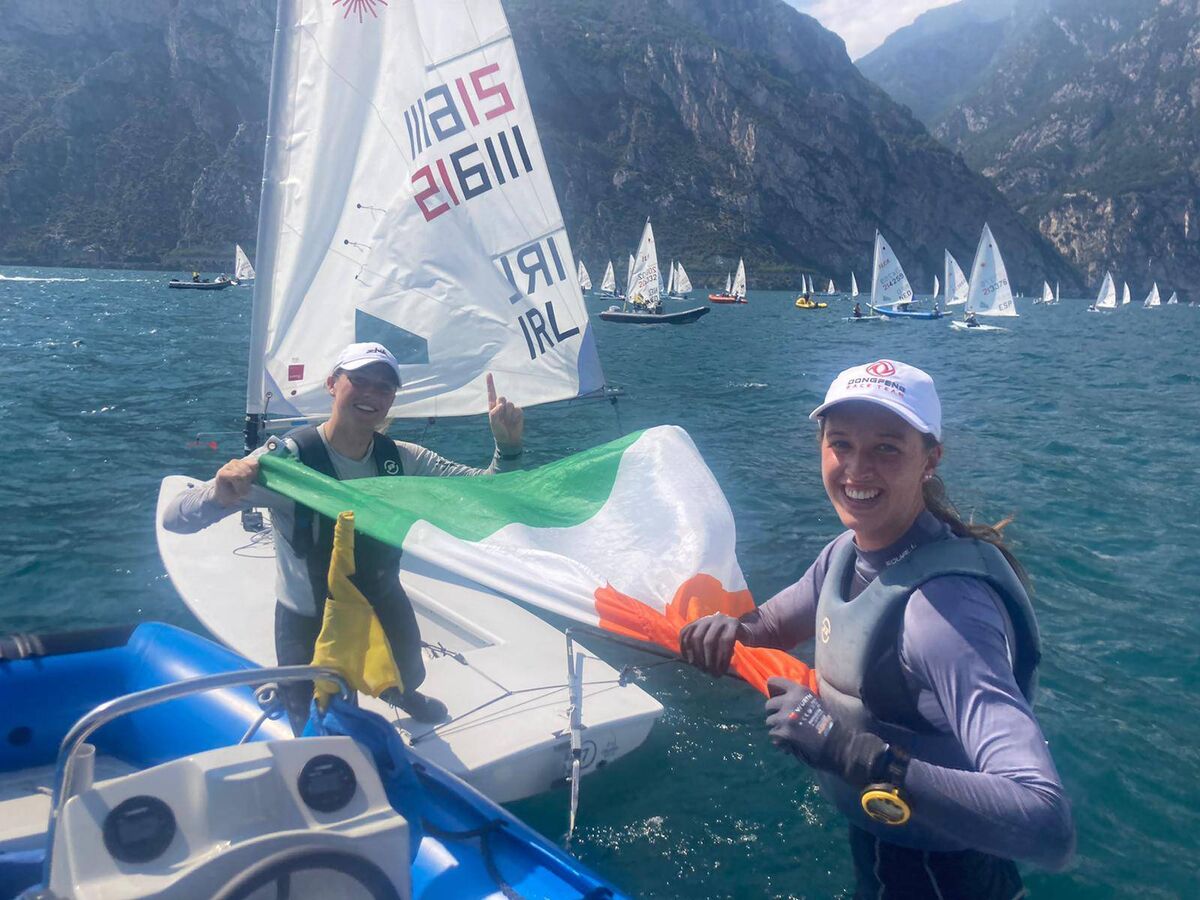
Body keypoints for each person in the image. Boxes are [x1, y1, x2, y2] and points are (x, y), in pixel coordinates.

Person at [679, 360, 1074, 897]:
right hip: (883, 843)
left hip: (943, 876)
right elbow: (769, 623)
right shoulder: (846, 553)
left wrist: (848, 752)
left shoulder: (944, 614)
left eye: (886, 448)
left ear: (930, 459)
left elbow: (1047, 824)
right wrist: (728, 631)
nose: (857, 470)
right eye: (841, 444)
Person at [162, 341, 525, 732]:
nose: (372, 393)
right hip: (309, 615)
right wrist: (219, 492)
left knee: (409, 673)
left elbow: (488, 497)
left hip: (381, 599)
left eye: (384, 387)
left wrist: (508, 448)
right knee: (313, 718)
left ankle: (399, 694)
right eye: (360, 380)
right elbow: (175, 518)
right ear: (333, 383)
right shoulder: (286, 463)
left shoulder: (404, 460)